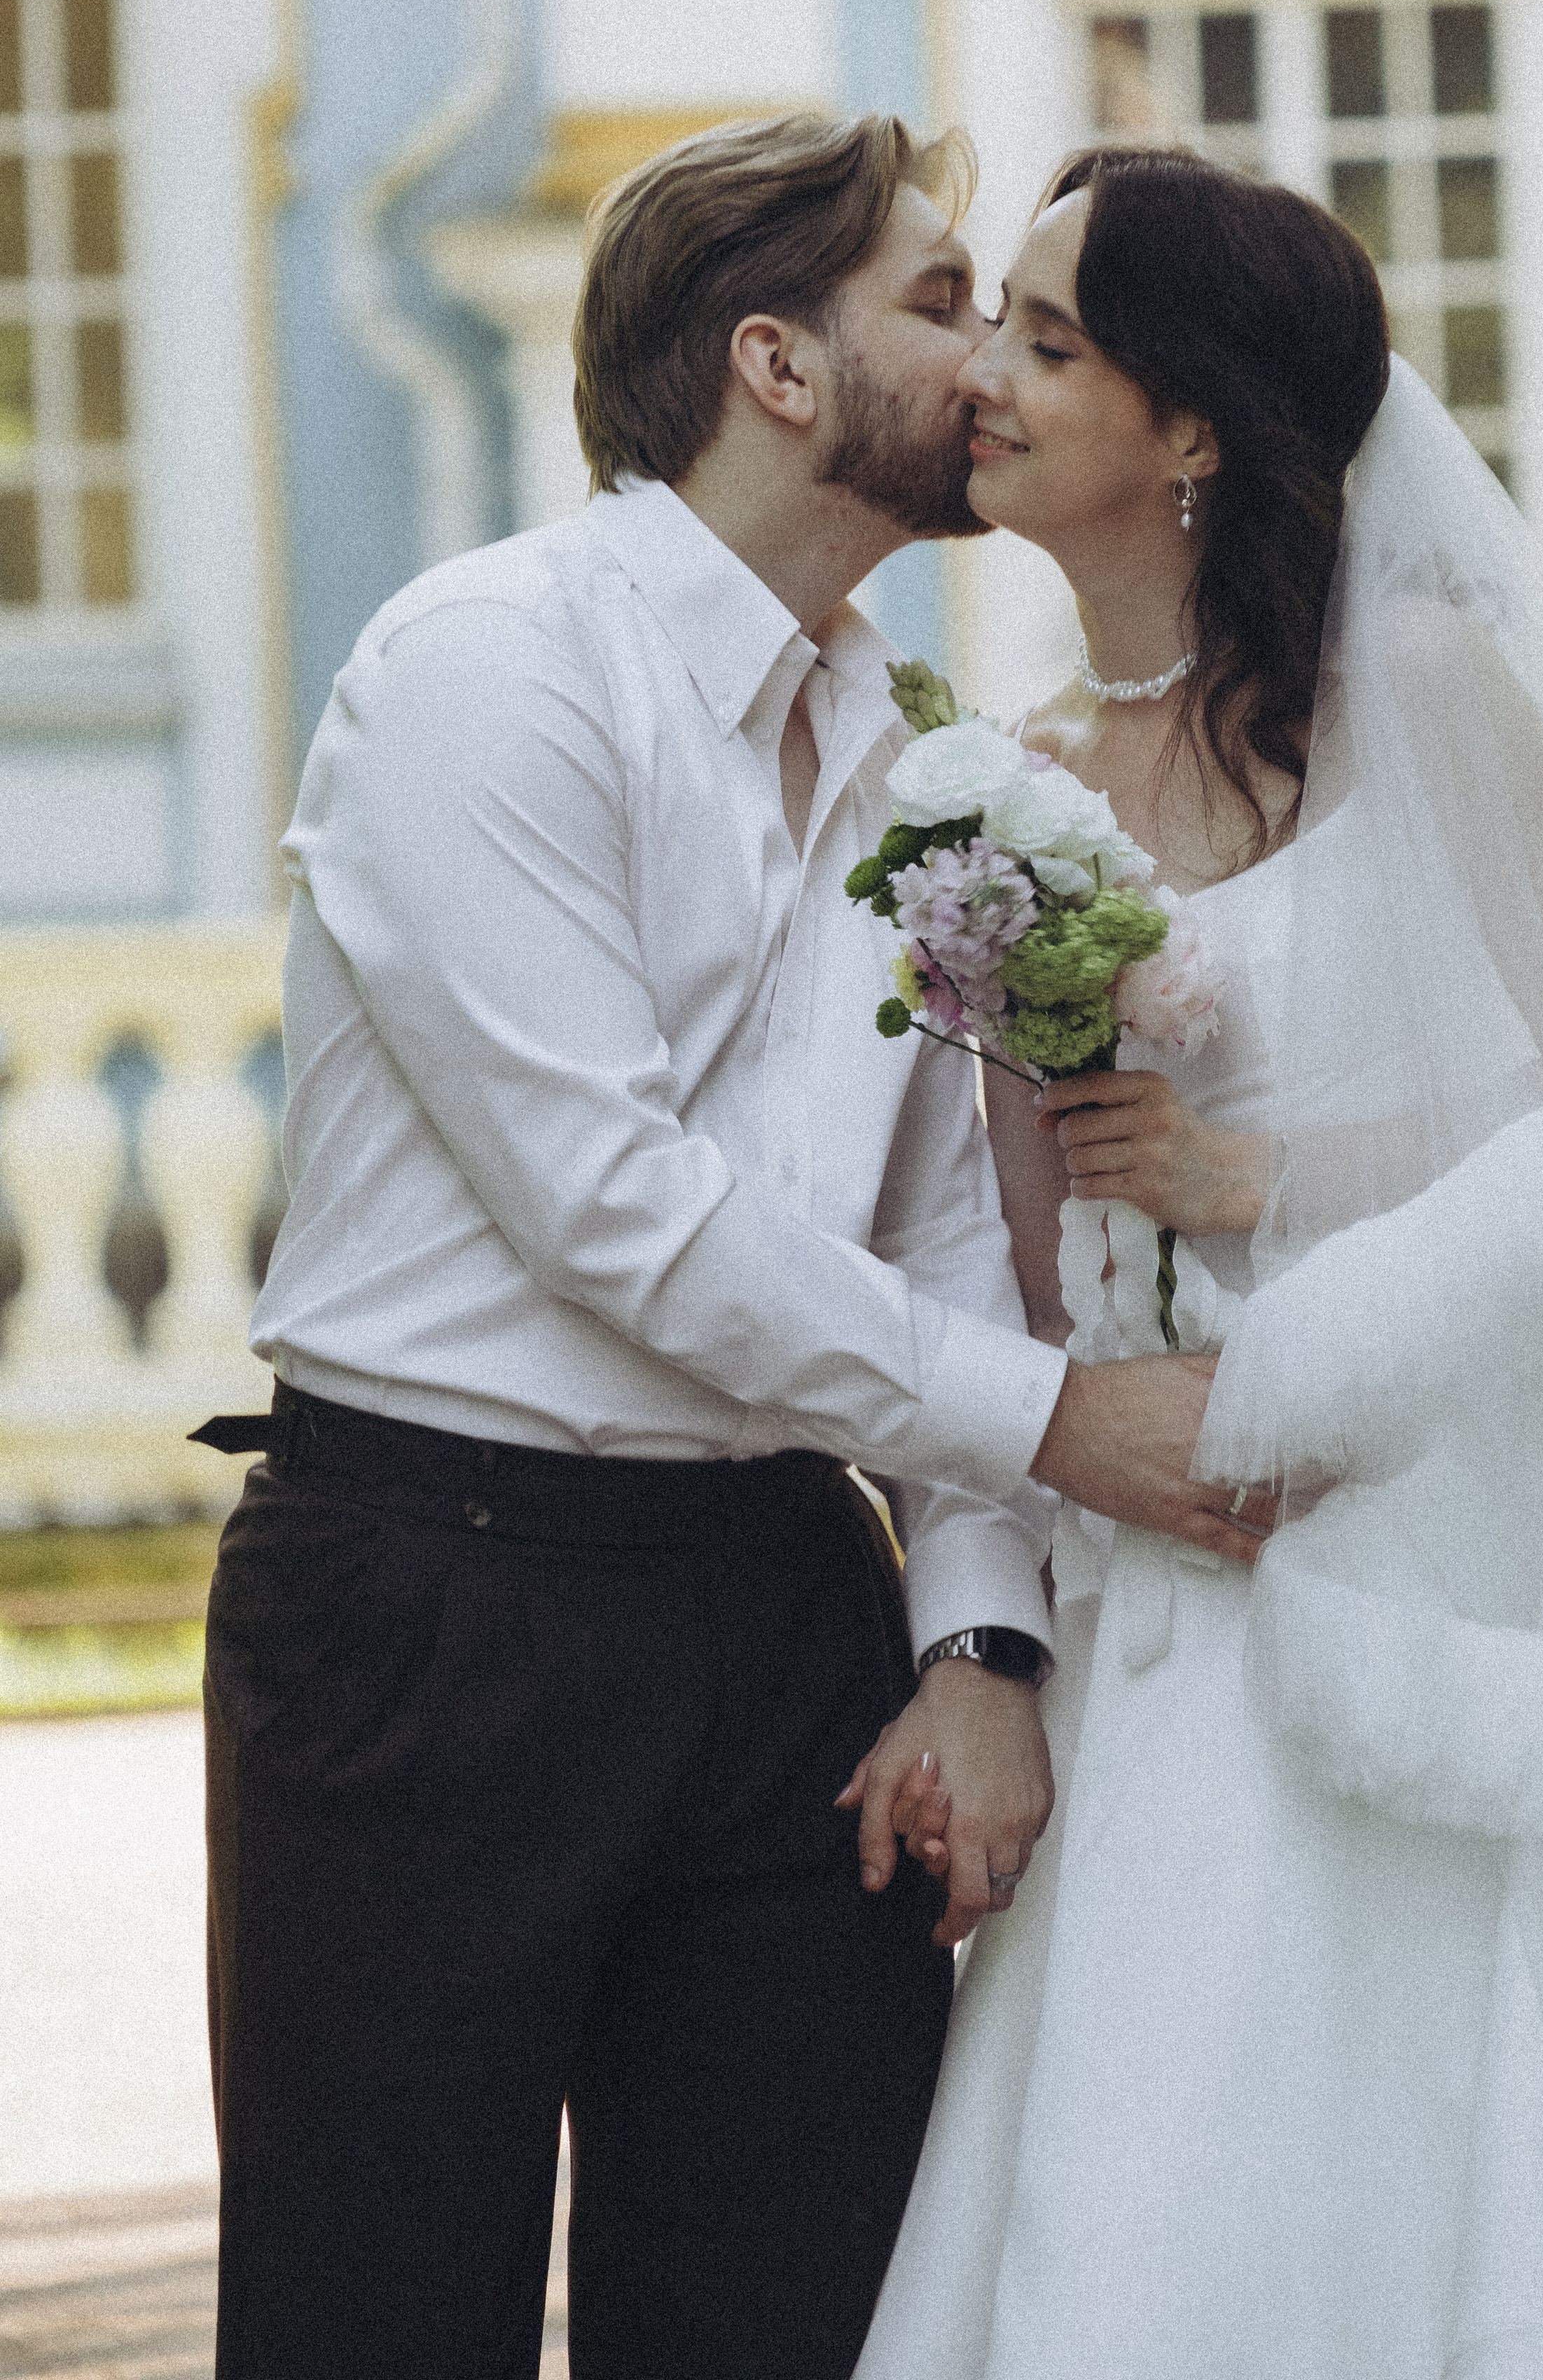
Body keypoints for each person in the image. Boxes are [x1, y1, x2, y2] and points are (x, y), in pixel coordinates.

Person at [198, 114, 1217, 2380]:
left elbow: (948, 1216)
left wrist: (981, 1637)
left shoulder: (904, 741)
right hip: (434, 1607)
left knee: (791, 2322)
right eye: (942, 303)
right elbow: (618, 1211)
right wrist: (1073, 1428)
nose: (990, 364)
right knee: (376, 2322)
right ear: (772, 361)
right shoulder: (485, 671)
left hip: (787, 1626)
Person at [854, 146, 1543, 2379]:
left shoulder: (1432, 689)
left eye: (1054, 343)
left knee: (1458, 2132)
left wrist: (1255, 1177)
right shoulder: (998, 789)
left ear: (1192, 430)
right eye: (1002, 327)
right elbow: (1010, 1249)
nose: (989, 376)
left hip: (1441, 1527)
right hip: (1165, 1559)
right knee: (1150, 2155)